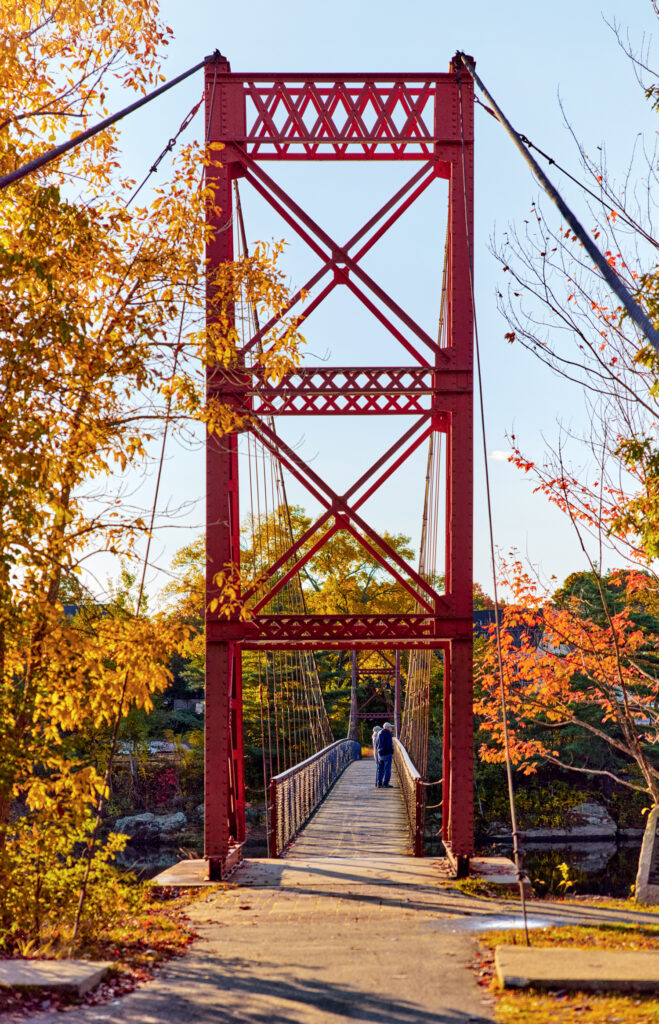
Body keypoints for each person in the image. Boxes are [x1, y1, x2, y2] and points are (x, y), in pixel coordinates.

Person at [376, 722, 394, 788]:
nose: (391, 728)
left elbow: (377, 743)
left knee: (380, 769)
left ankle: (379, 783)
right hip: (387, 753)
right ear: (388, 727)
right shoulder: (388, 733)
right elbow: (389, 744)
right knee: (387, 769)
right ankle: (386, 783)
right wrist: (391, 751)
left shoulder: (379, 733)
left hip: (380, 753)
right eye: (391, 727)